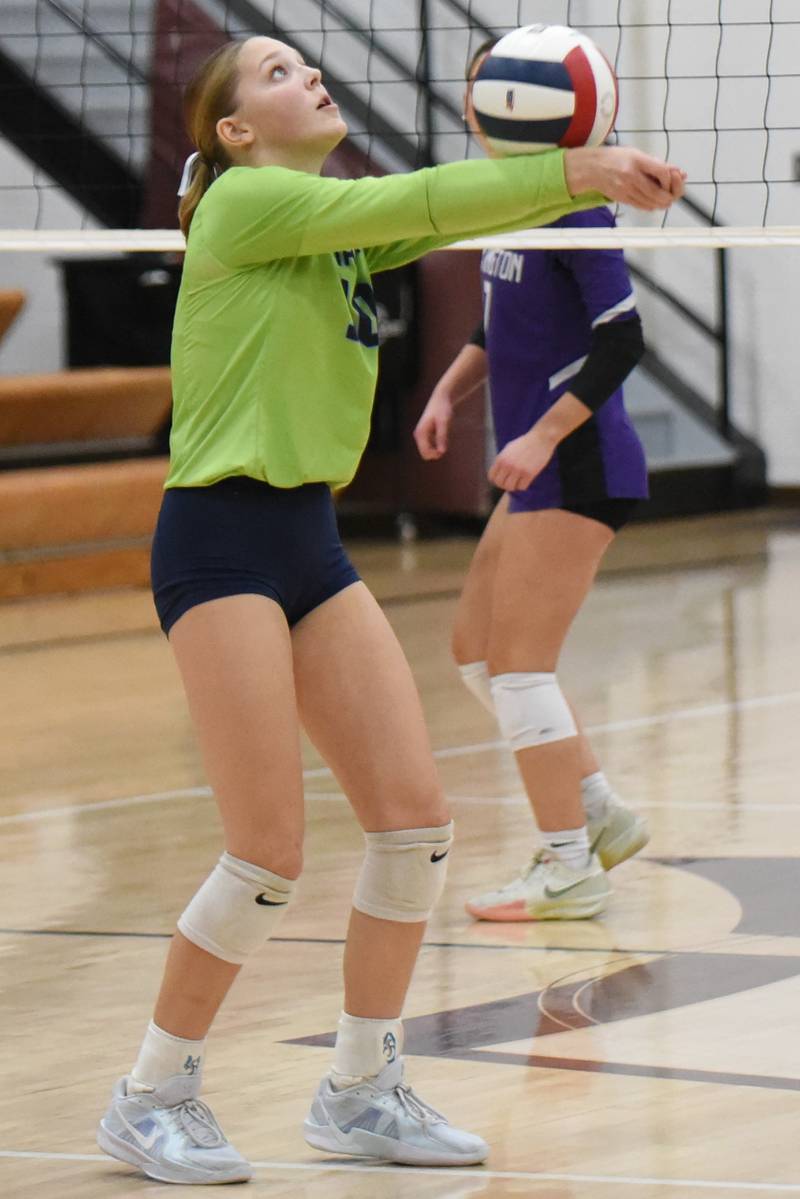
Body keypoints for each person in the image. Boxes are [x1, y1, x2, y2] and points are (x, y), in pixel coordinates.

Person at [94, 34, 684, 1185]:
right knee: (266, 851)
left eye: (307, 63)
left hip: (307, 540)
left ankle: (361, 1086)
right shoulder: (249, 205)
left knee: (412, 825)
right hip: (218, 543)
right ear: (234, 134)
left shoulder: (337, 231)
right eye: (275, 72)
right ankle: (150, 1089)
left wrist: (577, 172)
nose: (308, 73)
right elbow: (423, 193)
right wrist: (582, 165)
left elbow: (442, 211)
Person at [414, 40, 657, 923]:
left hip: (581, 462)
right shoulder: (515, 207)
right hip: (542, 463)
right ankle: (596, 811)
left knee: (519, 669)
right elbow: (497, 326)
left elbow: (622, 339)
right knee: (474, 651)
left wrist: (544, 437)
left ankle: (568, 866)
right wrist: (447, 390)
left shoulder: (582, 211)